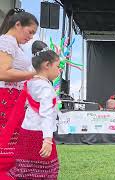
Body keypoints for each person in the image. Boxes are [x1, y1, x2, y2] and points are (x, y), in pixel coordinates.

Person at [3, 41, 60, 179]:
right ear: (47, 65)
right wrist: (47, 140)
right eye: (57, 66)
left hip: (26, 133)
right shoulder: (45, 88)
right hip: (40, 135)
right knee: (45, 170)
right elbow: (46, 114)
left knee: (26, 169)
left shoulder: (31, 83)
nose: (59, 70)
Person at [0, 8, 38, 177]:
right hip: (6, 100)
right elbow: (2, 72)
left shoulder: (16, 46)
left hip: (14, 100)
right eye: (30, 32)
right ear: (17, 24)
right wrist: (33, 74)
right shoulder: (7, 41)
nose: (30, 37)